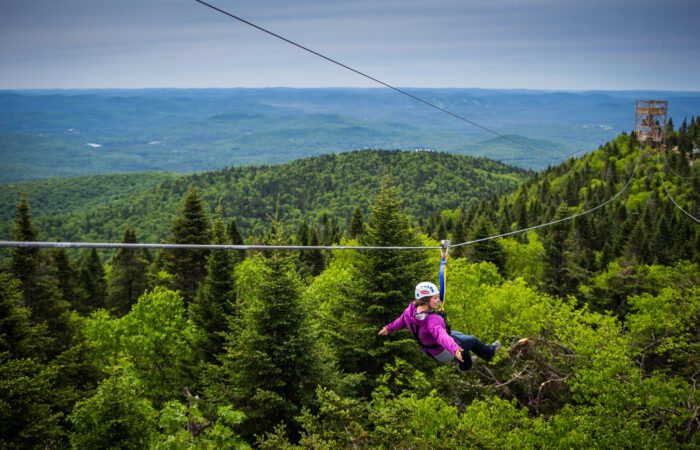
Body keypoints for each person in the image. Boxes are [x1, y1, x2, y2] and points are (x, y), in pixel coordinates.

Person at [378, 281, 501, 371]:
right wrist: (455, 349)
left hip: (431, 349)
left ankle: (462, 358)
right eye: (435, 298)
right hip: (443, 352)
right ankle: (487, 354)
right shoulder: (431, 321)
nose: (438, 300)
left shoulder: (409, 312)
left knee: (459, 335)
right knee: (472, 340)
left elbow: (399, 322)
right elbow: (442, 336)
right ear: (426, 300)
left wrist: (388, 328)